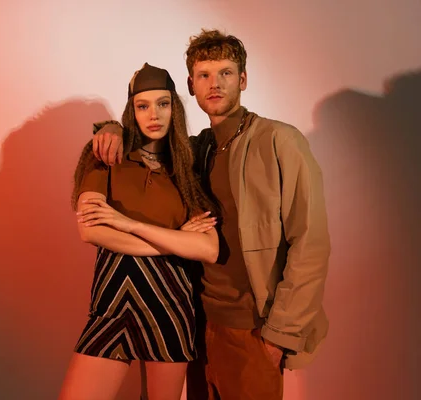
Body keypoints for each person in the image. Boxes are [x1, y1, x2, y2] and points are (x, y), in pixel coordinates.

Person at [90, 30, 331, 400]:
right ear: (190, 84)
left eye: (225, 73)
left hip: (254, 328)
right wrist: (111, 129)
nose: (214, 84)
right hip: (199, 324)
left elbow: (310, 241)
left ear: (244, 79)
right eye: (204, 75)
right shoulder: (194, 151)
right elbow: (150, 137)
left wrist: (281, 333)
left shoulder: (279, 141)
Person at [58, 63, 220, 400]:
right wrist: (173, 244)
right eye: (143, 106)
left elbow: (208, 248)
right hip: (113, 304)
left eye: (163, 104)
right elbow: (91, 231)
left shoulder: (185, 169)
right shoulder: (107, 154)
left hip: (170, 305)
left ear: (174, 107)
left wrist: (127, 224)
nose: (154, 115)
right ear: (131, 109)